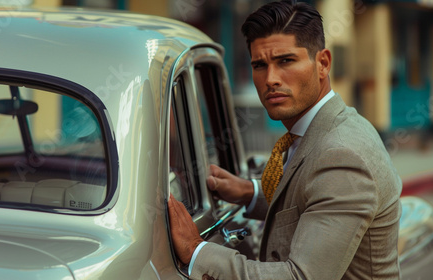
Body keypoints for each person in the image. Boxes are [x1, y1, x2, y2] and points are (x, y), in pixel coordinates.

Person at [168, 1, 402, 279]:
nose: (271, 78)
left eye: (286, 61)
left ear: (323, 63)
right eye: (259, 65)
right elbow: (311, 197)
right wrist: (249, 193)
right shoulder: (322, 128)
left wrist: (197, 251)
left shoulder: (341, 154)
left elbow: (300, 277)